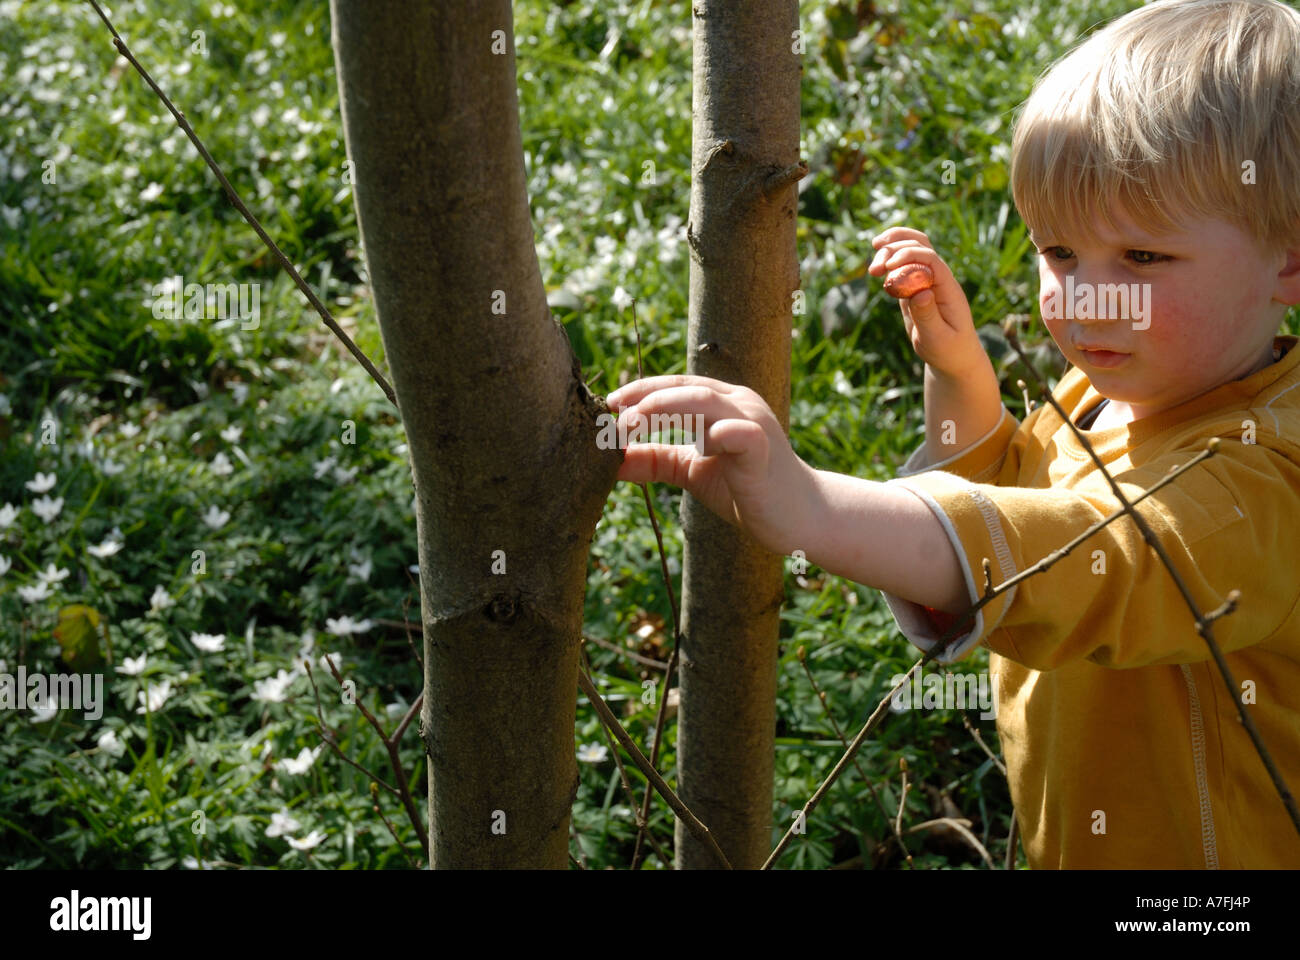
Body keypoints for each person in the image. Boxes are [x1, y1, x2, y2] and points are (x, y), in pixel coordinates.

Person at [604, 0, 1300, 868]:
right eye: (1058, 254)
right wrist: (963, 380)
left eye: (1144, 259)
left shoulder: (1271, 471)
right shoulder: (1103, 394)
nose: (1085, 299)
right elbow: (1017, 488)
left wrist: (813, 508)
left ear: (1290, 257)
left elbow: (1096, 561)